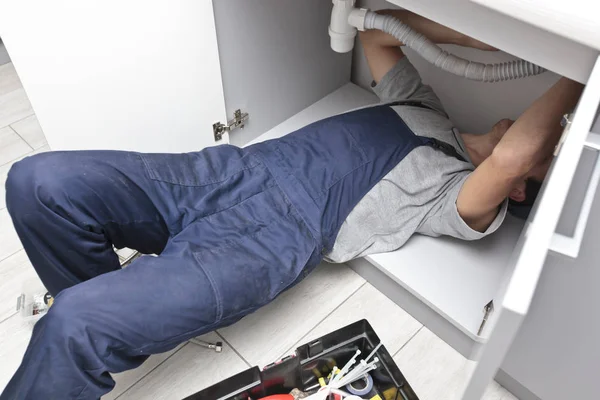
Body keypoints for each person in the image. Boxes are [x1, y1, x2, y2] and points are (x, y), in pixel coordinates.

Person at [1, 10, 582, 400]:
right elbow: (377, 34)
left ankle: (104, 315)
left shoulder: (458, 199)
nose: (543, 142)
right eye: (554, 142)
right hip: (226, 172)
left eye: (547, 153)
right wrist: (469, 39)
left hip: (271, 238)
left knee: (73, 326)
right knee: (36, 182)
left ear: (520, 189)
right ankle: (117, 304)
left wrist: (584, 66)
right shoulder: (424, 107)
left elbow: (510, 157)